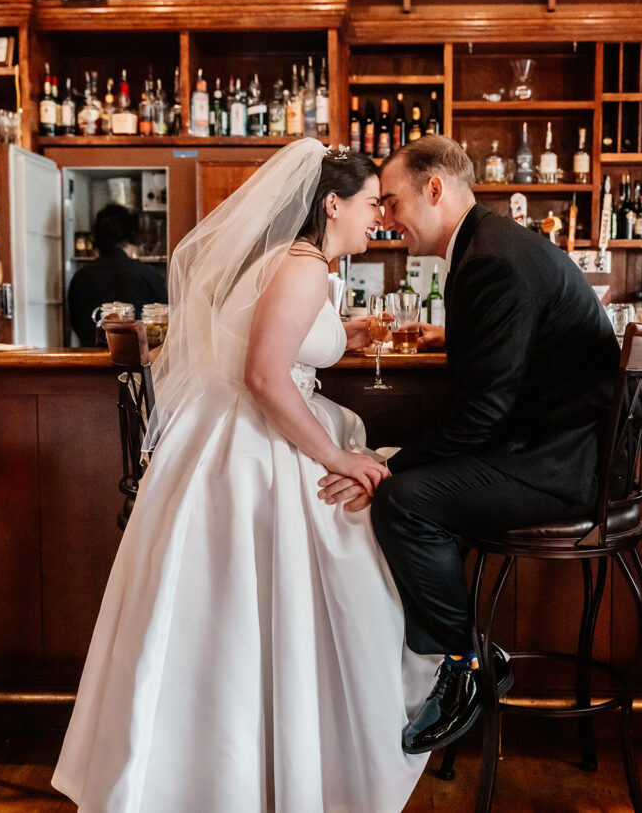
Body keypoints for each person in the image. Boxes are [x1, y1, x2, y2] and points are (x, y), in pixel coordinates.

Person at [52, 139, 437, 812]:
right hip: (249, 447)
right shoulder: (302, 267)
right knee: (353, 531)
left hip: (237, 433)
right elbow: (264, 375)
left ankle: (270, 759)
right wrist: (337, 456)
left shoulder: (302, 264)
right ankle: (306, 757)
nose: (380, 214)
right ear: (333, 204)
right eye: (372, 202)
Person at [318, 135, 620, 756]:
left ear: (435, 189)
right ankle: (474, 656)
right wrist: (450, 339)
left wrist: (385, 464)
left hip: (559, 467)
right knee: (409, 484)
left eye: (394, 202)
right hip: (555, 445)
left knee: (403, 501)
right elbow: (513, 358)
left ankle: (464, 668)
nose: (386, 219)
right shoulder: (493, 246)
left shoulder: (489, 260)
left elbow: (485, 409)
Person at [67, 203, 169, 345]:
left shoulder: (81, 277)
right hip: (137, 359)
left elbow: (76, 324)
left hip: (90, 358)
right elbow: (165, 318)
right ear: (131, 237)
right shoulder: (148, 275)